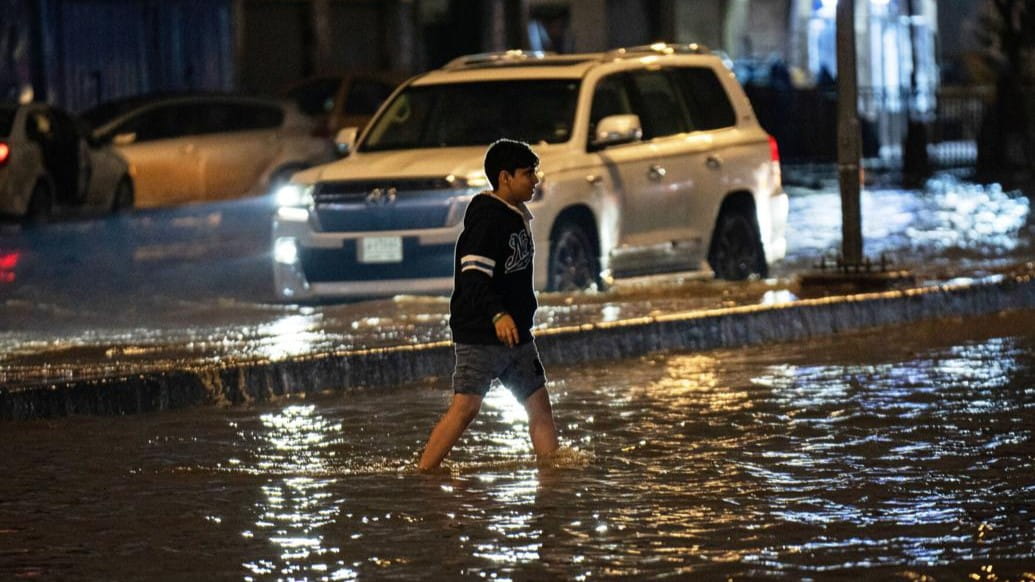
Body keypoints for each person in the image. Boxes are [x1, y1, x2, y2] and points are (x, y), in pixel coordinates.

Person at [418, 139, 559, 471]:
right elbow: (473, 277)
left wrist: (515, 319)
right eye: (528, 174)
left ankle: (555, 477)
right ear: (505, 177)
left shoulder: (515, 217)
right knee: (466, 408)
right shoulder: (487, 220)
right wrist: (498, 314)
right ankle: (422, 474)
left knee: (539, 406)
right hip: (482, 334)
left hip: (517, 337)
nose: (535, 180)